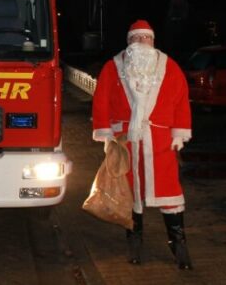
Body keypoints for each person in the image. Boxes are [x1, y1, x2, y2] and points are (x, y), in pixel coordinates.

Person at [91, 19, 193, 270]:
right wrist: (105, 134)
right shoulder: (113, 67)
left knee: (169, 192)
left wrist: (179, 134)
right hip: (126, 142)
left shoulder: (169, 66)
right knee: (130, 194)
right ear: (128, 42)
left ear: (153, 41)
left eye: (145, 38)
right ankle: (134, 243)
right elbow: (101, 99)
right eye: (136, 38)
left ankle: (179, 246)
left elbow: (181, 101)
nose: (141, 42)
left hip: (161, 143)